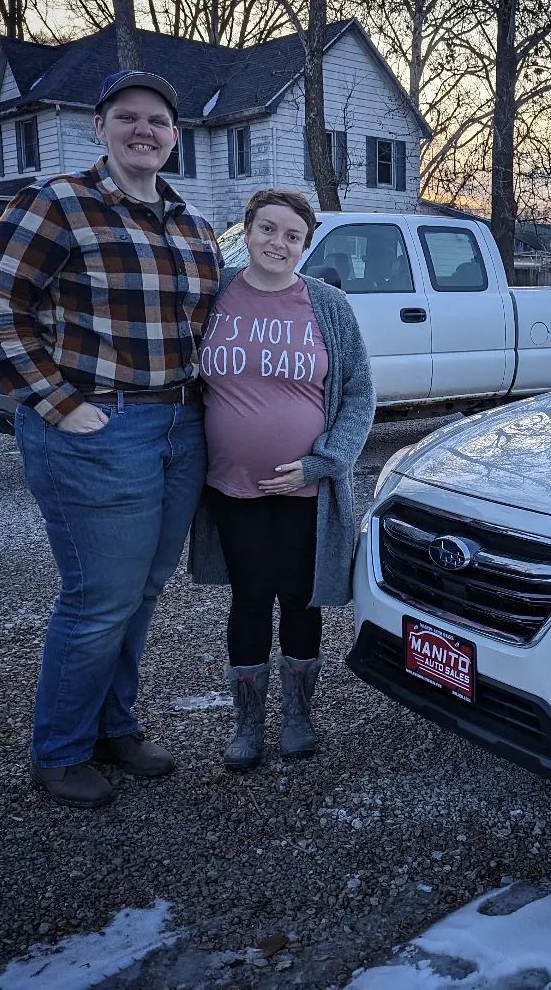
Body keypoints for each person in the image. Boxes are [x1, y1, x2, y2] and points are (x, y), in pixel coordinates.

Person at [0, 71, 221, 808]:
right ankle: (60, 750)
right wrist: (59, 404)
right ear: (101, 128)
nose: (144, 130)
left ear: (175, 137)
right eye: (128, 117)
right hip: (100, 428)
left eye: (158, 121)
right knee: (99, 597)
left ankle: (115, 727)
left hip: (180, 427)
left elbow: (211, 326)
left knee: (142, 591)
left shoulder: (193, 225)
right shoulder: (55, 202)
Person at [189, 189, 374, 770]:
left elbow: (360, 394)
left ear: (305, 244)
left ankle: (298, 717)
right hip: (230, 487)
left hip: (306, 490)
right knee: (250, 597)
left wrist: (324, 461)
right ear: (246, 232)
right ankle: (247, 724)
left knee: (299, 598)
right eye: (267, 229)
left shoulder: (328, 305)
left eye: (292, 235)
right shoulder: (213, 294)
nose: (278, 243)